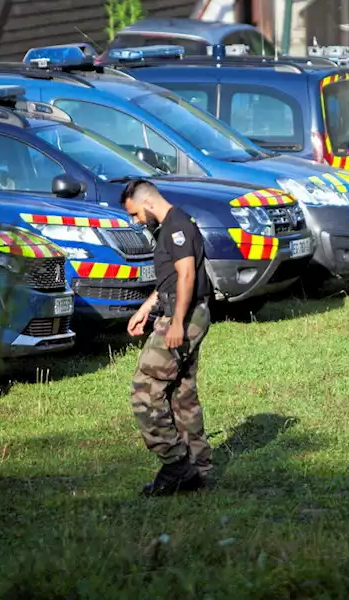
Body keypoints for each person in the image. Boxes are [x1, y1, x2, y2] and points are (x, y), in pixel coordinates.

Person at [120, 179, 215, 495]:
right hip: (182, 311)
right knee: (181, 392)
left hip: (183, 316)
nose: (136, 222)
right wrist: (146, 309)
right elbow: (171, 280)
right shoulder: (172, 225)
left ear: (147, 203)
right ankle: (198, 471)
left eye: (134, 215)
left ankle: (176, 465)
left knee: (145, 388)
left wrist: (176, 324)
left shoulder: (176, 226)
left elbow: (187, 274)